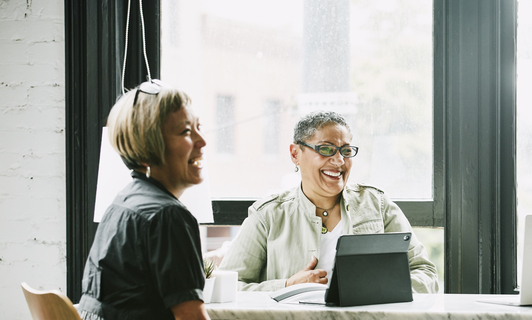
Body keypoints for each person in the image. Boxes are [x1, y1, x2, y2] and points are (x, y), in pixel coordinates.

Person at [218, 110, 439, 293]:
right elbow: (230, 287)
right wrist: (286, 286)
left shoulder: (376, 204)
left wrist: (378, 289)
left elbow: (425, 274)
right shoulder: (267, 215)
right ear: (295, 153)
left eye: (346, 151)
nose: (339, 161)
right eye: (326, 149)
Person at [77, 80, 211, 320]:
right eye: (186, 131)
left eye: (199, 127)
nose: (202, 141)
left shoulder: (122, 203)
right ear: (149, 145)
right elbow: (191, 317)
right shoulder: (168, 216)